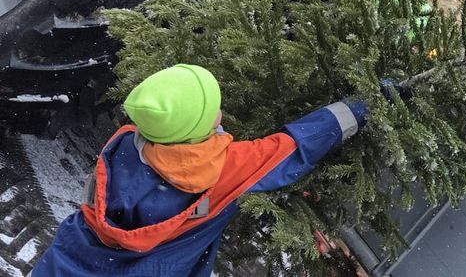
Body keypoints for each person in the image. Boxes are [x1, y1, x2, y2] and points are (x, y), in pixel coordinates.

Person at [30, 64, 397, 276]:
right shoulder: (225, 170)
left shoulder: (124, 143)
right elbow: (297, 144)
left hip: (68, 264)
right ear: (197, 128)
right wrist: (367, 105)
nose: (221, 115)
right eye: (214, 112)